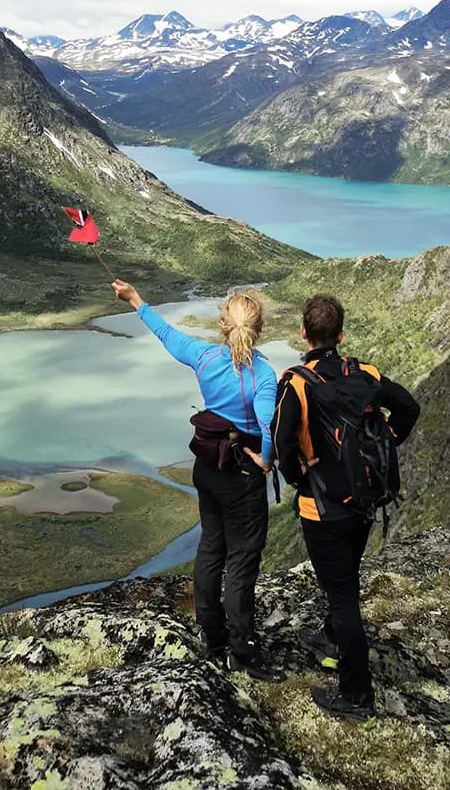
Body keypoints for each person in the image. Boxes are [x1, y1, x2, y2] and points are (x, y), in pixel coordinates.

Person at [112, 278, 280, 679]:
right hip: (242, 476)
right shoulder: (263, 374)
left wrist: (136, 300)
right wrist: (266, 459)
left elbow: (168, 336)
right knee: (242, 561)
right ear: (258, 328)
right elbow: (267, 425)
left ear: (223, 324)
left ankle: (212, 635)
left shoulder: (205, 358)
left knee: (210, 548)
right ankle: (242, 650)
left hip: (207, 469)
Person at [272, 293, 420, 720]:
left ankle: (356, 696)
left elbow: (282, 443)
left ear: (303, 332)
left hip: (321, 508)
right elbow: (408, 407)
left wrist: (298, 478)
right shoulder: (364, 372)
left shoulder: (296, 383)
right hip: (364, 501)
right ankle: (330, 636)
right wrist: (387, 441)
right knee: (345, 581)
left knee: (342, 596)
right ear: (340, 335)